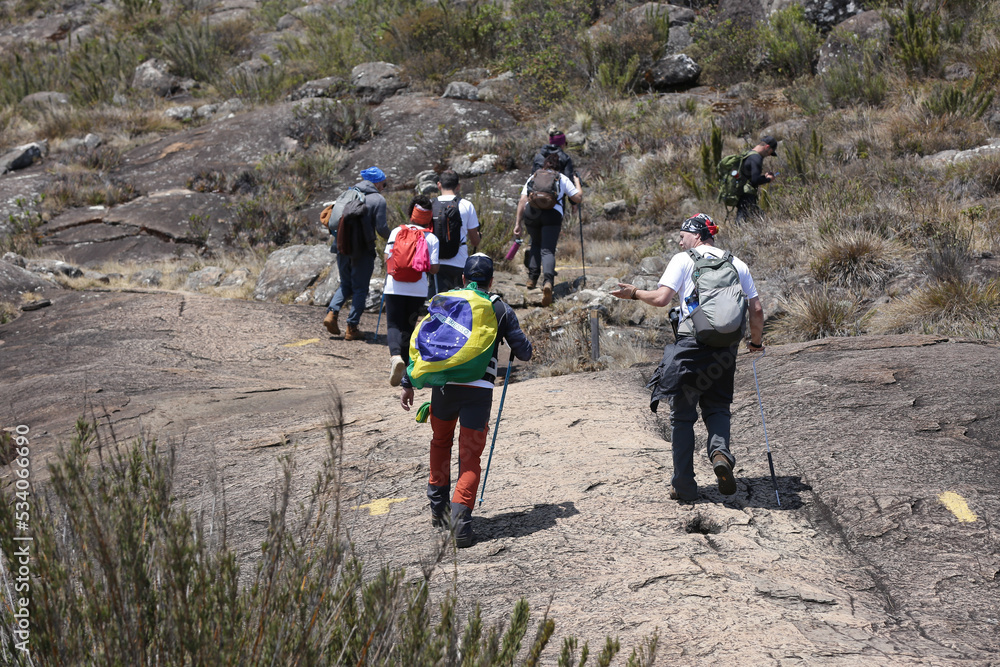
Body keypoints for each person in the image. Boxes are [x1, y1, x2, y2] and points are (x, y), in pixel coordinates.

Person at [611, 214, 764, 502]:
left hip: (690, 347)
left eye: (682, 235)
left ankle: (684, 485)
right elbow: (755, 310)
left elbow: (661, 299)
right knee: (717, 407)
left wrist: (633, 293)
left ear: (696, 235)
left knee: (682, 417)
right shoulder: (737, 263)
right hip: (724, 350)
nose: (680, 241)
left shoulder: (684, 260)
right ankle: (719, 453)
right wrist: (755, 344)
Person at [399, 253, 533, 547]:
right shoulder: (498, 307)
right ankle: (461, 528)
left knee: (440, 443)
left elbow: (424, 342)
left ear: (463, 278)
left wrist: (408, 382)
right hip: (478, 393)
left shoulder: (445, 300)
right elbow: (523, 353)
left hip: (443, 388)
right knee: (470, 458)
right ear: (491, 280)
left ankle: (439, 511)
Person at [324, 167, 390, 340]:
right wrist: (395, 238)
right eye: (384, 183)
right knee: (360, 288)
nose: (384, 186)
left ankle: (332, 313)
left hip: (341, 246)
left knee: (345, 284)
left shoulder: (348, 194)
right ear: (377, 182)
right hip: (362, 250)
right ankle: (351, 328)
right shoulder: (378, 200)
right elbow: (382, 228)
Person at [513, 153, 582, 306]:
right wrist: (577, 182)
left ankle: (532, 278)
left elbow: (522, 200)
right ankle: (548, 282)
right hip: (552, 215)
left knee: (536, 243)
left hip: (532, 213)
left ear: (544, 164)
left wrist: (518, 222)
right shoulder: (561, 178)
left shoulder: (534, 176)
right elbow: (577, 198)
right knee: (548, 250)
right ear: (558, 166)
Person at [384, 196, 440, 386]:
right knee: (409, 326)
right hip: (417, 288)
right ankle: (406, 372)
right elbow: (433, 268)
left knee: (393, 324)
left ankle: (395, 358)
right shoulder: (431, 238)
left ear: (410, 213)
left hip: (394, 286)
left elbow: (387, 256)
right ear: (429, 217)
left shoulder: (396, 232)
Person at [430, 170, 481, 295]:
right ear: (458, 186)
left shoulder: (431, 204)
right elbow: (475, 241)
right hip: (459, 262)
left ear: (439, 185)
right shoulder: (466, 205)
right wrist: (479, 237)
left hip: (435, 263)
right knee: (458, 305)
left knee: (437, 305)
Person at [736, 135, 778, 223]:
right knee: (742, 221)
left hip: (740, 192)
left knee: (757, 217)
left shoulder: (748, 154)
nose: (769, 155)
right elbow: (755, 180)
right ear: (767, 147)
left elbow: (749, 177)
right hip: (747, 195)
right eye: (770, 152)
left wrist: (764, 177)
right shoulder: (757, 158)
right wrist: (768, 179)